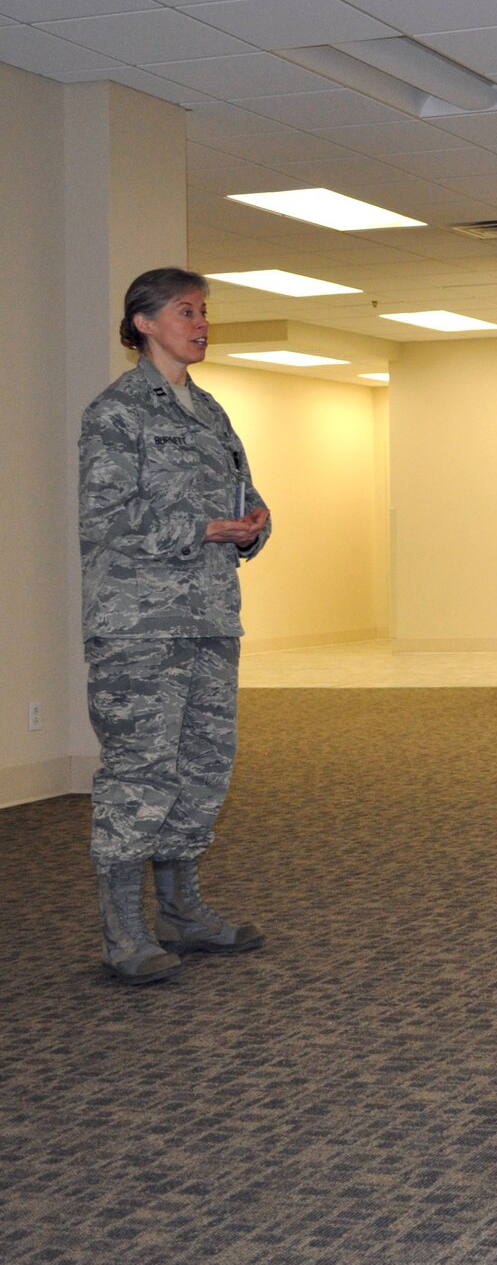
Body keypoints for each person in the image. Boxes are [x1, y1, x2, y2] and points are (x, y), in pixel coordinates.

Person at [81, 267, 271, 985]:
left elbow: (246, 496)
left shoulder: (211, 411)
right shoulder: (117, 413)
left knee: (202, 765)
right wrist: (201, 527)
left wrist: (254, 525)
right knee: (140, 774)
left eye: (203, 312)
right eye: (186, 311)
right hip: (139, 628)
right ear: (143, 324)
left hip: (210, 618)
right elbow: (105, 519)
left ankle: (184, 911)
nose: (201, 322)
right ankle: (123, 929)